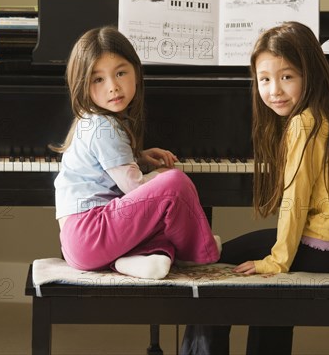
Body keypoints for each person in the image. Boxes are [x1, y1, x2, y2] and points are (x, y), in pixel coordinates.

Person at [181, 21, 329, 354]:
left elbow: (295, 201)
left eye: (287, 77)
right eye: (264, 79)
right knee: (244, 260)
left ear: (311, 75)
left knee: (213, 262)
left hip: (325, 247)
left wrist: (277, 261)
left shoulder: (304, 125)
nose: (274, 90)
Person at [53, 26, 220, 280]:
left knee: (157, 220)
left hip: (79, 243)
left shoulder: (92, 120)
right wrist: (161, 176)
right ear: (82, 85)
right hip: (91, 231)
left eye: (120, 73)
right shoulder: (104, 126)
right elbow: (133, 186)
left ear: (136, 73)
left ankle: (132, 261)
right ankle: (199, 252)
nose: (113, 87)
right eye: (98, 79)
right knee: (175, 184)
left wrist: (138, 156)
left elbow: (107, 165)